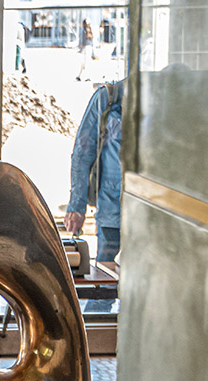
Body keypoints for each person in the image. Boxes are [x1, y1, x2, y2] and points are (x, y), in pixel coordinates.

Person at [64, 78, 125, 263]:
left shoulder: (169, 99)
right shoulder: (109, 96)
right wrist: (76, 207)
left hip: (152, 212)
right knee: (107, 270)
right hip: (112, 212)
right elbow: (82, 154)